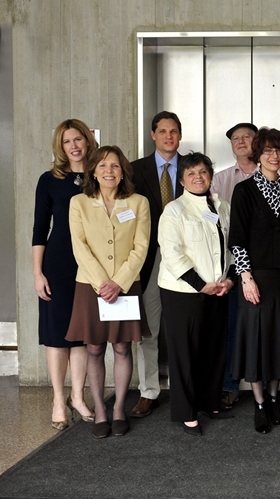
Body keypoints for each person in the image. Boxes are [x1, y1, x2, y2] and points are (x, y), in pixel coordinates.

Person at [65, 146, 150, 439]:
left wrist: (120, 281)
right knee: (95, 348)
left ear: (123, 170)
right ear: (93, 171)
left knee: (123, 347)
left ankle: (118, 411)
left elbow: (142, 247)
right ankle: (100, 409)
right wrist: (103, 282)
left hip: (126, 285)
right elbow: (80, 247)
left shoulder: (138, 203)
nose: (109, 171)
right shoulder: (79, 203)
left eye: (114, 166)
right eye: (102, 166)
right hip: (90, 285)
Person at [229, 128, 280, 434]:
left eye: (279, 151)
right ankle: (260, 404)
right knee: (259, 341)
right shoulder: (244, 191)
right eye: (268, 151)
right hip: (256, 279)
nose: (274, 156)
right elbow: (237, 240)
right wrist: (246, 277)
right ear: (257, 155)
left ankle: (274, 399)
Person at [158, 152, 235, 436]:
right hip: (184, 292)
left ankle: (210, 401)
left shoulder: (221, 206)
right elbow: (172, 253)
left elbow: (230, 247)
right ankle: (185, 411)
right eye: (191, 173)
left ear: (211, 176)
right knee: (185, 353)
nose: (198, 177)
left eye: (203, 172)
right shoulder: (174, 210)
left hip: (217, 288)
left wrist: (229, 280)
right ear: (182, 180)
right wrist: (199, 284)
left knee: (213, 349)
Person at [33, 119, 99, 430]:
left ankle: (78, 396)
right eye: (66, 141)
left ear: (87, 141)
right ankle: (59, 399)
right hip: (58, 263)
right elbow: (39, 230)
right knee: (57, 335)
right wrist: (37, 272)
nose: (73, 146)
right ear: (60, 147)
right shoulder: (49, 180)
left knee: (83, 334)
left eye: (78, 140)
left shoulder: (100, 176)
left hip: (92, 264)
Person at [130, 111, 184, 418]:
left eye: (173, 131)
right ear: (153, 134)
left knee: (183, 327)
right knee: (148, 328)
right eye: (162, 131)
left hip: (185, 260)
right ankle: (149, 391)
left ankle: (185, 387)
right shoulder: (135, 171)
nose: (168, 136)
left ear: (180, 135)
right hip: (148, 260)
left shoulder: (192, 168)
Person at [210, 121, 258, 410]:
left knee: (260, 326)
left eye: (247, 137)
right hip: (228, 265)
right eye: (236, 138)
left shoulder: (275, 175)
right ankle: (230, 384)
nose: (241, 142)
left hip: (263, 265)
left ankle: (263, 384)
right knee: (231, 327)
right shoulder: (219, 180)